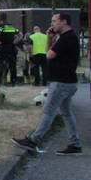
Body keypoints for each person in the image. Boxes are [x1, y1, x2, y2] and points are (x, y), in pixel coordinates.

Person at [12, 12, 82, 155]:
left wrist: (51, 39)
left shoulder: (66, 38)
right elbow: (47, 52)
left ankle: (33, 140)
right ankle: (75, 144)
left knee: (48, 111)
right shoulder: (66, 37)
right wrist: (50, 38)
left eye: (55, 21)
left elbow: (49, 55)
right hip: (67, 81)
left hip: (61, 82)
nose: (52, 24)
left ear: (64, 22)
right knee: (67, 114)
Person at [0, 22, 19, 87]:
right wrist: (14, 42)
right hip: (11, 48)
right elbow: (20, 35)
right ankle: (13, 81)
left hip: (3, 47)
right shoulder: (12, 28)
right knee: (13, 66)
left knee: (0, 64)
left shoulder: (1, 28)